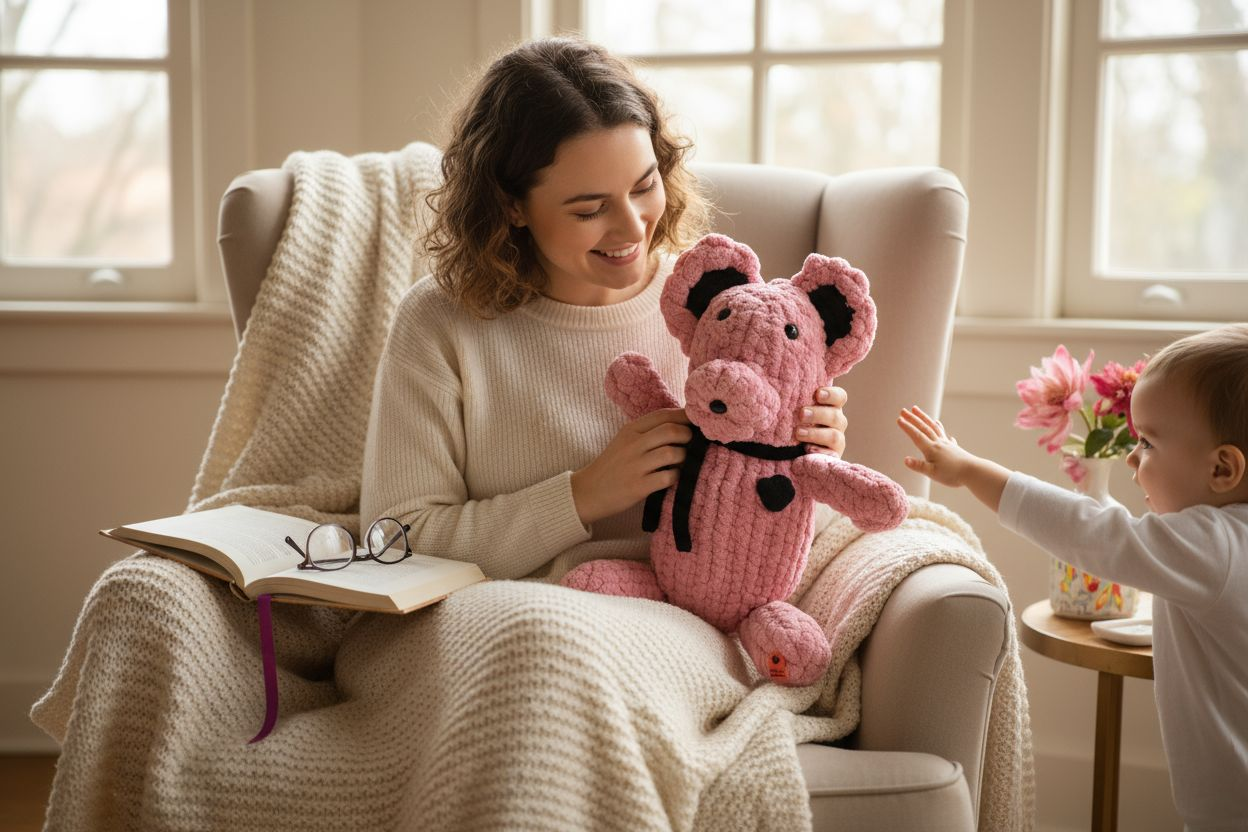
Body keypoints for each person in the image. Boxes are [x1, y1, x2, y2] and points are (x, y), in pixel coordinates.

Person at [361, 36, 848, 582]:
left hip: (686, 614)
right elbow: (395, 542)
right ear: (511, 206)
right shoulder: (439, 323)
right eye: (590, 209)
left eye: (645, 187)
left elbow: (783, 541)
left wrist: (810, 456)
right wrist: (581, 495)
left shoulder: (715, 306)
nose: (632, 228)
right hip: (508, 612)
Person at [897, 324, 1248, 832]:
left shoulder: (1211, 545)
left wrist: (974, 472)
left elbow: (1096, 535)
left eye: (1147, 443)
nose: (1131, 457)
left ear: (1222, 470)